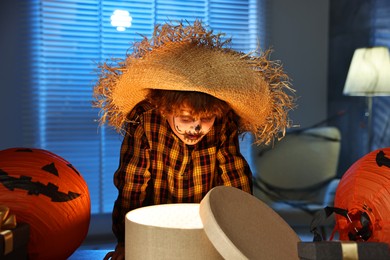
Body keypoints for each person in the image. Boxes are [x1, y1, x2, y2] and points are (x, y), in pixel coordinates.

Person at [93, 20, 295, 260]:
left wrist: (242, 234)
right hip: (155, 225)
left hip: (205, 225)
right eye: (187, 117)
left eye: (206, 118)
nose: (197, 127)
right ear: (166, 109)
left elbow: (235, 179)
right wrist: (127, 241)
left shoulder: (222, 125)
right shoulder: (144, 121)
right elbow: (132, 184)